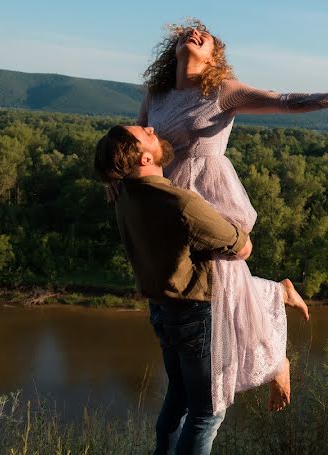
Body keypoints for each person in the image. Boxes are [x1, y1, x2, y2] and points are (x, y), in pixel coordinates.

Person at [137, 19, 328, 415]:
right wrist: (115, 177)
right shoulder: (157, 93)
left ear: (214, 55)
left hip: (209, 193)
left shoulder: (223, 91)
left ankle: (267, 363)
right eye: (188, 32)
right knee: (196, 284)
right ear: (174, 47)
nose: (195, 35)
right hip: (167, 196)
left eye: (205, 36)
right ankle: (275, 295)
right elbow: (137, 141)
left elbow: (283, 100)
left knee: (221, 278)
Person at [94, 124, 257, 454]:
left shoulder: (124, 194)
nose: (152, 127)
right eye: (145, 132)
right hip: (194, 315)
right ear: (144, 158)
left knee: (179, 397)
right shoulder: (180, 203)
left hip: (161, 310)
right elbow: (240, 247)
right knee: (207, 413)